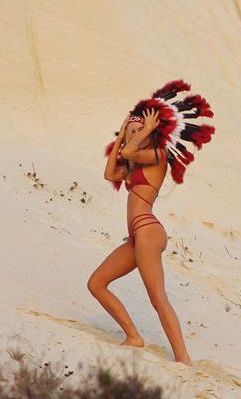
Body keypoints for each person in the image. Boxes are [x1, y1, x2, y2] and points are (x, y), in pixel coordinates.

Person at [87, 79, 215, 365]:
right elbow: (110, 174)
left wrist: (141, 132)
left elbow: (131, 152)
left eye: (138, 130)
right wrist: (122, 135)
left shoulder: (158, 156)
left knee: (158, 298)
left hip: (148, 229)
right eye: (130, 130)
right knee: (97, 283)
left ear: (151, 131)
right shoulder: (132, 164)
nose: (133, 134)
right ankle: (133, 336)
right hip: (135, 236)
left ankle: (183, 359)